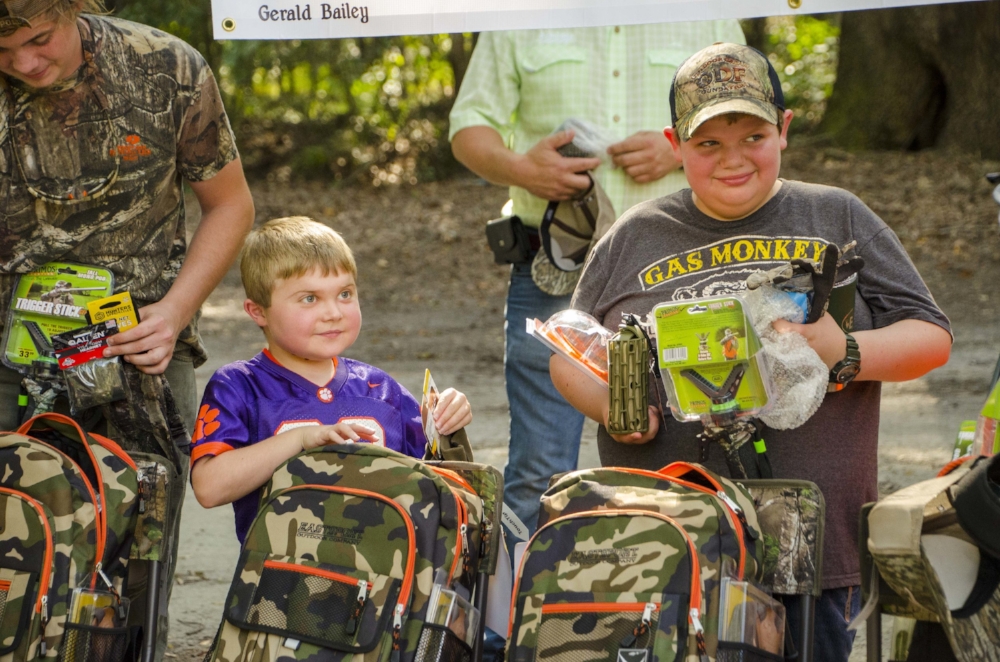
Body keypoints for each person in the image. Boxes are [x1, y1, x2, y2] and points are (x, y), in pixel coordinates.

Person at [552, 43, 953, 662]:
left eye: (753, 136)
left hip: (815, 556)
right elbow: (568, 351)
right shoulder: (635, 234)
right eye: (708, 143)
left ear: (784, 130)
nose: (732, 159)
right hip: (664, 547)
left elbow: (930, 338)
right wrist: (612, 405)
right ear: (675, 143)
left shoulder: (835, 215)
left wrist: (840, 350)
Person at [0, 0, 254, 657]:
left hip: (139, 347)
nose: (24, 64)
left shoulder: (166, 68)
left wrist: (173, 313)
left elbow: (229, 205)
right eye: (3, 53)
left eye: (38, 40)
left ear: (72, 7)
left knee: (135, 554)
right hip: (6, 352)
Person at [448, 21, 745, 540]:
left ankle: (687, 604)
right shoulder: (517, 13)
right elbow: (469, 128)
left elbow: (753, 125)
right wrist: (521, 167)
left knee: (701, 458)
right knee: (539, 472)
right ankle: (527, 615)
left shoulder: (709, 11)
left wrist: (682, 148)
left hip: (682, 269)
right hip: (555, 268)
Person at [189, 217, 475, 543]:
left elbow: (446, 492)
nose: (333, 313)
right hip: (281, 587)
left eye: (344, 293)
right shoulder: (239, 387)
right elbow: (209, 488)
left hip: (385, 586)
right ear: (258, 311)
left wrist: (449, 422)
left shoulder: (381, 391)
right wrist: (299, 440)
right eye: (309, 298)